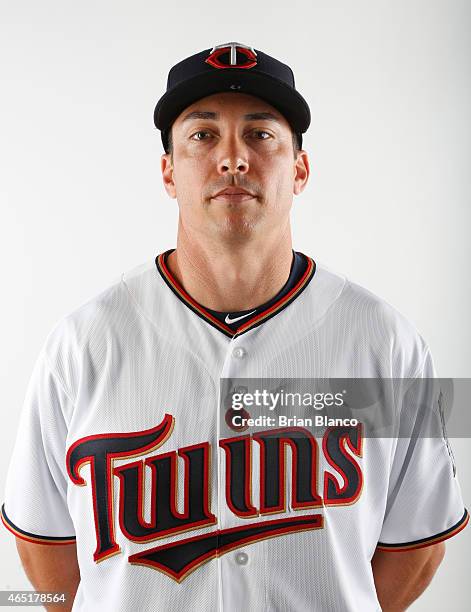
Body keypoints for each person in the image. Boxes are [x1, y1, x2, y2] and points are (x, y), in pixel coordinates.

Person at [1, 42, 468, 612]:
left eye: (260, 134)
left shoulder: (385, 342)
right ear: (169, 172)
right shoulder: (81, 345)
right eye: (202, 135)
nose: (233, 158)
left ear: (299, 169)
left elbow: (417, 547)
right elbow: (43, 544)